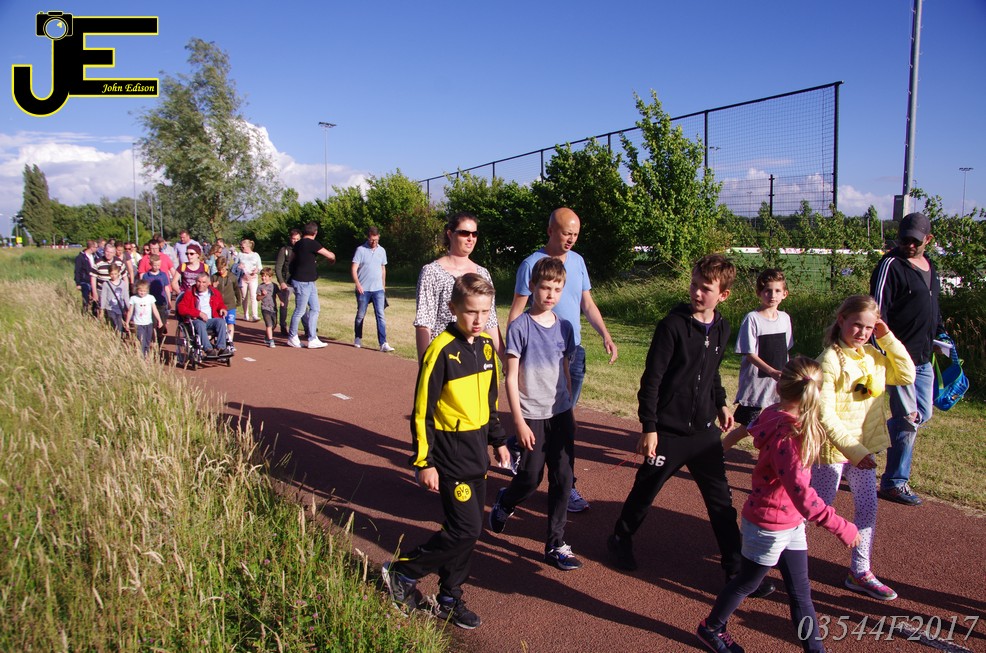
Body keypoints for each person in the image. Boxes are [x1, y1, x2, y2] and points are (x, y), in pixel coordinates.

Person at [608, 254, 775, 599]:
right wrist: (649, 427)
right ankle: (620, 538)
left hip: (703, 434)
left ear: (723, 295)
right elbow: (651, 380)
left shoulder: (722, 327)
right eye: (694, 285)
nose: (697, 293)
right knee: (645, 490)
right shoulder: (672, 326)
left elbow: (712, 372)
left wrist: (721, 403)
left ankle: (735, 568)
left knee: (721, 503)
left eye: (706, 288)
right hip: (667, 432)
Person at [698, 357, 860, 653]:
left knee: (801, 592)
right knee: (747, 582)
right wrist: (842, 526)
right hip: (768, 525)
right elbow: (805, 498)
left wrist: (719, 448)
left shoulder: (774, 413)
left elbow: (745, 430)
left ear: (779, 387)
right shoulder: (789, 439)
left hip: (791, 523)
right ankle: (711, 627)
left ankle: (815, 649)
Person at [382, 273, 510, 630]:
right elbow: (422, 411)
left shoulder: (487, 348)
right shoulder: (440, 350)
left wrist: (498, 440)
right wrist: (424, 462)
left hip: (477, 455)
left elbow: (490, 402)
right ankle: (403, 572)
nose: (478, 319)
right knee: (465, 529)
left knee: (468, 530)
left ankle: (450, 597)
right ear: (453, 308)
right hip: (450, 456)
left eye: (485, 312)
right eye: (471, 311)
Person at [507, 207, 618, 513]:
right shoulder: (531, 264)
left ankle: (520, 448)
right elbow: (516, 310)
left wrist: (605, 334)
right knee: (551, 422)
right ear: (550, 231)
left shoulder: (578, 262)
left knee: (563, 419)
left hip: (571, 351)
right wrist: (512, 353)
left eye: (576, 234)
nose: (571, 239)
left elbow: (587, 303)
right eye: (566, 233)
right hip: (537, 354)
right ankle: (563, 484)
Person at [809, 295, 914, 602]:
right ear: (841, 320)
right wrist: (855, 451)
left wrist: (887, 337)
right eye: (857, 325)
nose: (863, 332)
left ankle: (860, 571)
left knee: (867, 508)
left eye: (869, 327)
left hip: (863, 451)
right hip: (834, 449)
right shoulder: (829, 360)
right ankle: (773, 550)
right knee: (816, 508)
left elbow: (906, 374)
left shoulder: (873, 356)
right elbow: (824, 415)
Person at [489, 257, 582, 571]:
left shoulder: (565, 327)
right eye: (545, 288)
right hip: (531, 414)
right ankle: (506, 501)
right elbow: (510, 377)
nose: (550, 294)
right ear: (532, 287)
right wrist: (518, 421)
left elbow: (566, 370)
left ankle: (556, 544)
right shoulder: (520, 327)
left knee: (563, 478)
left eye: (557, 289)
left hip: (560, 413)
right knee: (530, 478)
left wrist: (570, 410)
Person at [870, 212, 945, 506]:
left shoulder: (931, 266)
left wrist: (940, 333)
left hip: (924, 357)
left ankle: (866, 443)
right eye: (904, 240)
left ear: (928, 240)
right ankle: (894, 482)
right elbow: (877, 310)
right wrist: (882, 349)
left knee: (922, 414)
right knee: (908, 418)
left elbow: (932, 304)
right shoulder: (891, 264)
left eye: (915, 241)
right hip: (899, 357)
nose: (909, 245)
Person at [414, 212, 502, 360]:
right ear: (450, 234)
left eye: (474, 234)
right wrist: (425, 365)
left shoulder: (483, 273)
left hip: (475, 356)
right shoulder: (431, 272)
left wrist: (505, 359)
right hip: (444, 356)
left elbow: (490, 322)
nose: (470, 238)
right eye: (464, 233)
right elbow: (424, 322)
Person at [733, 269, 793, 427]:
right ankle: (723, 444)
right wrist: (771, 371)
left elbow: (786, 350)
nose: (772, 295)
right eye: (767, 291)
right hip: (756, 385)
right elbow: (749, 353)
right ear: (759, 293)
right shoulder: (752, 318)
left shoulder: (785, 319)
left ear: (784, 294)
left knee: (777, 424)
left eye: (777, 291)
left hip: (778, 384)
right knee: (748, 426)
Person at [287, 222, 336, 349]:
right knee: (300, 310)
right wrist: (333, 257)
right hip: (303, 282)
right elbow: (329, 255)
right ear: (315, 232)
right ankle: (292, 336)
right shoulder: (312, 243)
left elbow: (291, 260)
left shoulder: (298, 244)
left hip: (309, 281)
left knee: (315, 308)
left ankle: (312, 337)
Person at [352, 226, 394, 352]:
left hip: (378, 289)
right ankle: (358, 337)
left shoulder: (382, 251)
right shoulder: (360, 250)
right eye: (371, 240)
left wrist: (383, 285)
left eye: (376, 240)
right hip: (363, 289)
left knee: (380, 315)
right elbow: (354, 269)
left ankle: (383, 343)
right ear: (368, 237)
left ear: (379, 237)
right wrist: (358, 284)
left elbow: (383, 269)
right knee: (360, 315)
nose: (374, 242)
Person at [176, 274, 230, 356]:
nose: (201, 284)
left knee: (221, 322)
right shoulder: (189, 292)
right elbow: (181, 308)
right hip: (195, 320)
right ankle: (208, 349)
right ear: (196, 281)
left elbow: (220, 304)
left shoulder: (214, 292)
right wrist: (198, 313)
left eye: (204, 282)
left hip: (211, 319)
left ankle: (221, 348)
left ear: (208, 283)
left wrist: (222, 308)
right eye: (199, 282)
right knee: (200, 324)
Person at [275, 229, 309, 339]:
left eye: (297, 239)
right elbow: (278, 267)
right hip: (287, 282)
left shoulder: (303, 249)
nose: (295, 241)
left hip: (300, 281)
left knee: (302, 305)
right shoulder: (284, 250)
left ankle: (307, 328)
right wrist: (281, 282)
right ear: (290, 238)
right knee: (284, 304)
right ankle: (283, 326)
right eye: (293, 239)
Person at [124, 279, 164, 357]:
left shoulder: (150, 298)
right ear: (137, 290)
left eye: (144, 291)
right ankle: (141, 357)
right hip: (138, 324)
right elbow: (130, 311)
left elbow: (155, 310)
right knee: (141, 341)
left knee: (147, 342)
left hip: (148, 323)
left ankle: (146, 356)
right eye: (140, 291)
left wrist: (159, 320)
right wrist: (127, 322)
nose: (142, 293)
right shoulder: (134, 298)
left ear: (147, 290)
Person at [141, 254, 172, 347]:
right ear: (150, 264)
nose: (157, 267)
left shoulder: (163, 275)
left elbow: (166, 288)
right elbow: (144, 289)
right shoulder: (146, 276)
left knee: (162, 322)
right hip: (150, 303)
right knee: (153, 322)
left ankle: (160, 335)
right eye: (155, 265)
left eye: (158, 265)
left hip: (161, 302)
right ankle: (153, 340)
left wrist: (169, 300)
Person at [211, 256, 242, 349]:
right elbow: (208, 291)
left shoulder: (232, 277)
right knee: (219, 324)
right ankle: (220, 341)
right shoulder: (214, 277)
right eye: (219, 269)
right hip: (218, 306)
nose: (221, 271)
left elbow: (237, 290)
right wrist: (212, 286)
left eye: (223, 269)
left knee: (230, 323)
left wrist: (239, 300)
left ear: (226, 266)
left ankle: (230, 342)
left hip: (230, 305)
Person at [90, 243, 126, 319]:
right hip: (101, 290)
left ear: (114, 253)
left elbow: (124, 277)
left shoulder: (119, 263)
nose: (108, 254)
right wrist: (94, 292)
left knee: (114, 312)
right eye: (107, 251)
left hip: (116, 291)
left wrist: (125, 290)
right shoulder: (98, 262)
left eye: (111, 252)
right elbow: (93, 277)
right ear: (104, 251)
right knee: (101, 310)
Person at [237, 239, 263, 322]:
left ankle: (255, 315)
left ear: (248, 246)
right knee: (244, 297)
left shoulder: (256, 255)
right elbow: (235, 265)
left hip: (253, 278)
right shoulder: (240, 255)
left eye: (243, 247)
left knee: (253, 296)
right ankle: (246, 314)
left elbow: (260, 266)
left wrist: (257, 270)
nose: (242, 248)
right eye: (241, 247)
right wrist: (239, 266)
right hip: (243, 278)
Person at [100, 264, 130, 333]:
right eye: (112, 274)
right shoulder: (106, 284)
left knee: (120, 324)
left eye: (115, 274)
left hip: (120, 308)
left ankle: (119, 336)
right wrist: (102, 309)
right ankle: (115, 335)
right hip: (110, 308)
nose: (113, 276)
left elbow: (126, 296)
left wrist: (128, 308)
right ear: (109, 274)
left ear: (118, 273)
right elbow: (103, 297)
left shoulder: (122, 283)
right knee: (114, 323)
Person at [74, 239, 96, 314]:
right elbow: (77, 270)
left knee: (94, 298)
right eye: (95, 247)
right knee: (85, 298)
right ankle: (85, 313)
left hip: (93, 281)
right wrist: (78, 283)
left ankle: (94, 313)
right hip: (84, 281)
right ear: (92, 247)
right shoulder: (80, 257)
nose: (97, 249)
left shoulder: (94, 256)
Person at [257, 267, 278, 348]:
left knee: (274, 324)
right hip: (265, 308)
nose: (263, 278)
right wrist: (262, 295)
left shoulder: (274, 286)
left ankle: (267, 336)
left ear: (270, 277)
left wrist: (282, 301)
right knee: (269, 324)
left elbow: (279, 294)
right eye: (262, 276)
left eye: (265, 276)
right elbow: (258, 298)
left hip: (273, 308)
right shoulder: (260, 287)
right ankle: (271, 340)